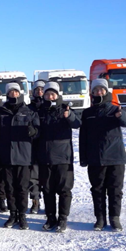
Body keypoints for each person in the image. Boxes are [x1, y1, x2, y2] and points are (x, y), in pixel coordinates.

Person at [79, 79, 126, 232]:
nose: (99, 92)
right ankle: (100, 219)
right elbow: (83, 137)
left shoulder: (116, 110)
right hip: (95, 158)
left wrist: (121, 115)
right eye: (96, 90)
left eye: (101, 89)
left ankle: (114, 218)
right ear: (92, 92)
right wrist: (84, 158)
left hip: (116, 157)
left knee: (115, 190)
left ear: (107, 91)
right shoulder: (87, 113)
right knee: (97, 190)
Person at [0, 83, 40, 230]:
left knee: (22, 188)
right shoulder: (2, 112)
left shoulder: (29, 111)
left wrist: (33, 131)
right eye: (11, 92)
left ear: (21, 93)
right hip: (6, 156)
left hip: (24, 156)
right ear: (7, 94)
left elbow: (38, 132)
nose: (14, 95)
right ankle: (13, 214)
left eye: (16, 92)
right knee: (9, 187)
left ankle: (22, 215)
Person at [35, 82, 81, 232]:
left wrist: (70, 116)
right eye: (47, 94)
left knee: (64, 189)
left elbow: (77, 123)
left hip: (63, 157)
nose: (50, 96)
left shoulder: (65, 109)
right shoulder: (40, 110)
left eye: (53, 94)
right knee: (47, 189)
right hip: (44, 156)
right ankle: (50, 218)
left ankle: (63, 218)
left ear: (58, 95)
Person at [27, 80, 46, 214]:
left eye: (42, 89)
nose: (39, 92)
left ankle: (49, 203)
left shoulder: (51, 107)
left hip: (48, 147)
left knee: (48, 177)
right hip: (32, 146)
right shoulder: (28, 108)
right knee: (33, 177)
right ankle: (35, 201)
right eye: (37, 90)